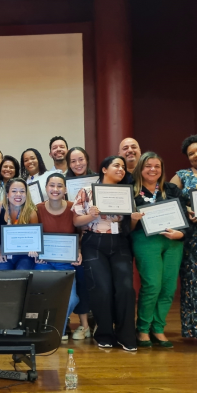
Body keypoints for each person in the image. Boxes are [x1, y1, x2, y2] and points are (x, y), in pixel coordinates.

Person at [72, 156, 138, 351]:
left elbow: (129, 227)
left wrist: (134, 219)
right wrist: (90, 215)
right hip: (94, 241)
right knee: (101, 289)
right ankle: (104, 334)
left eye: (123, 167)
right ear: (103, 169)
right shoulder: (86, 191)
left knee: (125, 288)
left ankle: (126, 335)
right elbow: (76, 221)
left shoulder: (127, 192)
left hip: (120, 242)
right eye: (116, 165)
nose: (121, 169)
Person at [131, 152, 187, 348]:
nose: (152, 169)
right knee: (152, 285)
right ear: (140, 168)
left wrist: (181, 234)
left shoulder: (171, 189)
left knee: (168, 287)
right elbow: (125, 226)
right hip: (145, 240)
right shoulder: (131, 191)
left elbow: (187, 217)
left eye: (157, 166)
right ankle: (143, 329)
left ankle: (158, 327)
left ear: (162, 170)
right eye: (148, 166)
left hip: (173, 241)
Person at [170, 134, 197, 347]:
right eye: (191, 154)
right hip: (196, 240)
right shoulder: (182, 176)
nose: (196, 155)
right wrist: (185, 211)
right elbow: (166, 198)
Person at [34, 173, 82, 339]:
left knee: (72, 298)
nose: (55, 189)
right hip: (44, 262)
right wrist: (36, 250)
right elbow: (33, 235)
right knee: (42, 295)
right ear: (46, 188)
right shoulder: (37, 208)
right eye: (52, 185)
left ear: (66, 189)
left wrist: (79, 251)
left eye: (59, 186)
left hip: (66, 263)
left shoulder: (73, 208)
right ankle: (51, 332)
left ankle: (56, 327)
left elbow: (80, 233)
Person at [64, 147, 96, 339]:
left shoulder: (98, 183)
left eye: (81, 160)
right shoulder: (63, 186)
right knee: (77, 281)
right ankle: (69, 323)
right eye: (73, 161)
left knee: (92, 281)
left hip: (93, 237)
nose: (77, 164)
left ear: (87, 160)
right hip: (71, 238)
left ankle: (93, 322)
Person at [0, 178, 38, 270]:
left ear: (26, 194)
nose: (18, 194)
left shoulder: (31, 213)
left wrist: (34, 249)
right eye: (14, 191)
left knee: (21, 275)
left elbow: (35, 239)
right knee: (1, 277)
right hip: (5, 253)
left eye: (22, 191)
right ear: (7, 194)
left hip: (24, 255)